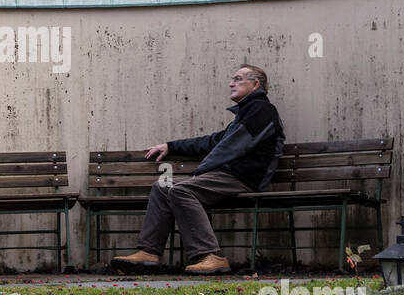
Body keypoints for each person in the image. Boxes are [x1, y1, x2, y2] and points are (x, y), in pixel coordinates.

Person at [112, 64, 285, 275]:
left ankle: (211, 256)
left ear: (256, 84)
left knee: (181, 190)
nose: (231, 83)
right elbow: (213, 141)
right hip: (226, 176)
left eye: (238, 79)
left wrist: (198, 173)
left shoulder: (263, 110)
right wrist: (171, 146)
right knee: (163, 186)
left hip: (243, 179)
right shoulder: (245, 114)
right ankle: (149, 251)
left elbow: (231, 147)